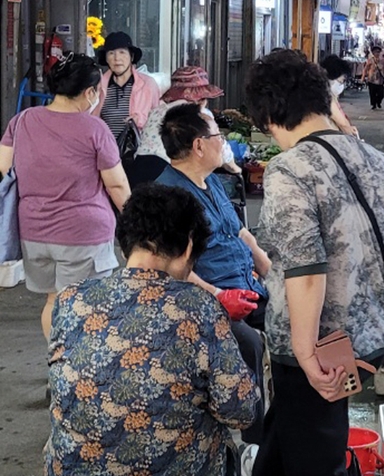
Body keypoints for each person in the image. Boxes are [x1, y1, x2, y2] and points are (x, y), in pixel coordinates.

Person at [28, 185, 261, 476]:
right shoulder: (199, 308)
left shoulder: (71, 301)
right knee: (219, 442)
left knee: (66, 442)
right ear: (189, 245)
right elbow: (240, 408)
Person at [243, 49, 384, 476]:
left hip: (320, 343)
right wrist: (375, 288)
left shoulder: (289, 170)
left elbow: (304, 268)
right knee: (310, 420)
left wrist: (305, 351)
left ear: (272, 114)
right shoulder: (371, 157)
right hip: (373, 336)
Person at [155, 103, 271, 439]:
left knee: (294, 320)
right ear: (199, 146)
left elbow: (240, 232)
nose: (224, 143)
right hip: (204, 297)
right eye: (218, 136)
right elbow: (173, 265)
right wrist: (219, 296)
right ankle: (253, 440)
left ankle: (283, 424)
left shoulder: (212, 182)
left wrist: (269, 270)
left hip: (247, 286)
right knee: (248, 344)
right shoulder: (170, 194)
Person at [0, 53, 131, 339]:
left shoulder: (22, 121)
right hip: (82, 235)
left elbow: (5, 166)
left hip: (34, 233)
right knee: (87, 306)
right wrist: (136, 224)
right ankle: (79, 375)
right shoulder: (94, 128)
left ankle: (57, 369)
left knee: (54, 301)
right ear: (89, 92)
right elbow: (117, 185)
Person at [136, 65, 238, 185]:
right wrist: (236, 170)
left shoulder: (156, 111)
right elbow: (222, 150)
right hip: (170, 176)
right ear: (200, 98)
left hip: (139, 170)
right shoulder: (200, 114)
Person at [92, 30, 161, 140]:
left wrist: (139, 121)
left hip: (139, 152)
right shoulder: (98, 86)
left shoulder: (148, 84)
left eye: (122, 52)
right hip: (106, 152)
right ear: (106, 59)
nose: (117, 58)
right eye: (111, 53)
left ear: (131, 57)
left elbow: (158, 121)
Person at [319, 54, 359, 137]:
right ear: (331, 78)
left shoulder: (329, 96)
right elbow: (343, 123)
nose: (342, 85)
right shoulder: (326, 98)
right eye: (342, 81)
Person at [362, 43, 384, 111]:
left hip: (380, 80)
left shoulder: (383, 61)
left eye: (378, 52)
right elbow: (366, 68)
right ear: (373, 53)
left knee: (381, 94)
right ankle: (373, 104)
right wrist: (363, 77)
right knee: (372, 93)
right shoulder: (370, 60)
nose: (377, 53)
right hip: (371, 79)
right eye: (375, 52)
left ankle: (378, 101)